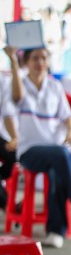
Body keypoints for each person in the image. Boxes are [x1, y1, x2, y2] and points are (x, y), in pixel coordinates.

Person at [5, 46, 71, 248]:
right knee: (61, 154)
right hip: (29, 151)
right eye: (35, 58)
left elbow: (67, 116)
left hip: (55, 150)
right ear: (26, 62)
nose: (40, 62)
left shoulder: (55, 86)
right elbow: (15, 100)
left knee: (57, 167)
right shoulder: (18, 84)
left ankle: (55, 231)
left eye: (44, 57)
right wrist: (13, 62)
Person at [0, 77, 18, 209]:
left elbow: (7, 113)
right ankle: (7, 204)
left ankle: (6, 204)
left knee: (16, 156)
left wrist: (14, 138)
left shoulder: (3, 81)